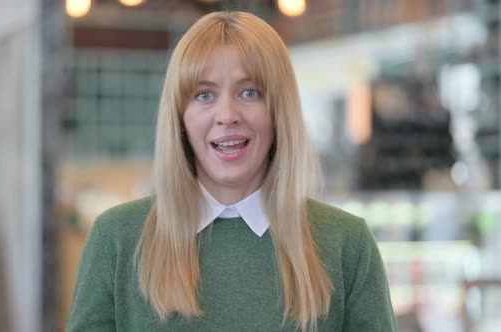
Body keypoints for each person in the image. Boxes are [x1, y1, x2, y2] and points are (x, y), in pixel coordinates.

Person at [67, 11, 397, 332]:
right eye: (204, 94)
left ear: (279, 110)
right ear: (179, 116)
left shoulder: (347, 244)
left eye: (249, 92)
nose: (227, 114)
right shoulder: (116, 240)